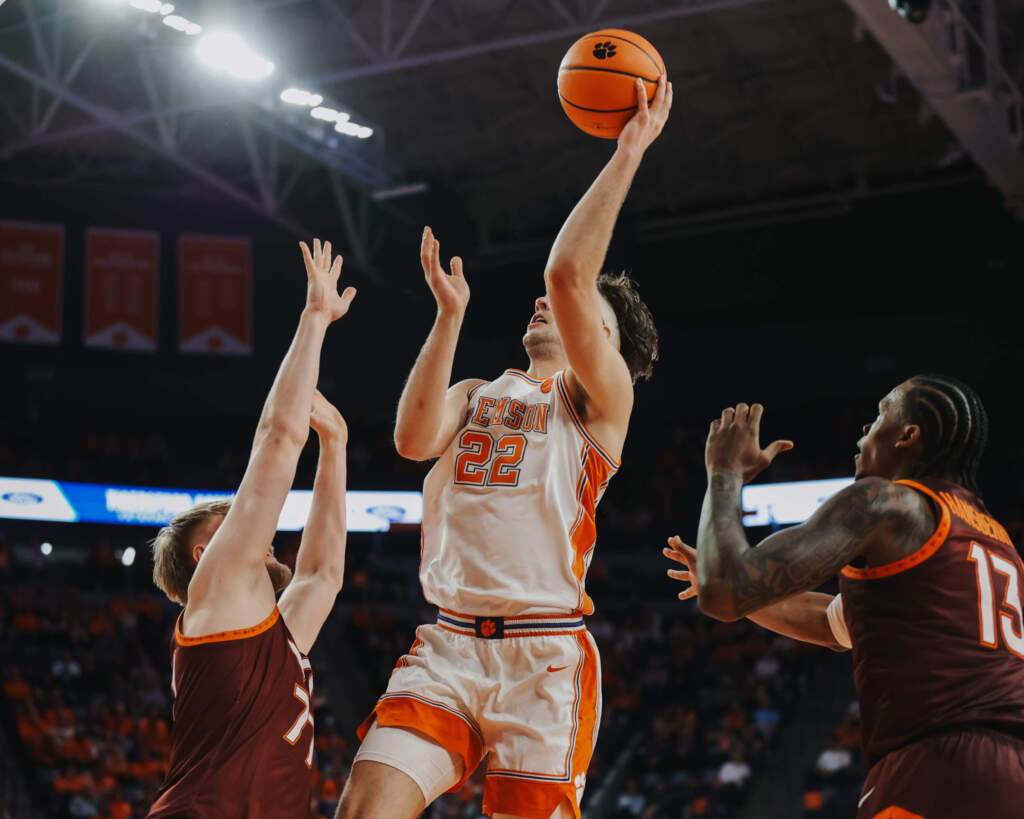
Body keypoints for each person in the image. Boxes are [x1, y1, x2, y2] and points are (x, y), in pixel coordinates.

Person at [337, 76, 672, 819]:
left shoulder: (597, 401)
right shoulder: (478, 392)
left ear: (603, 341)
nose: (544, 301)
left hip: (544, 657)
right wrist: (448, 316)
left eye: (574, 309)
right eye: (539, 302)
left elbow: (566, 272)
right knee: (363, 811)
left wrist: (627, 154)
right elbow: (412, 438)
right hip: (448, 645)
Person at [664, 375, 1024, 818]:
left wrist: (724, 473)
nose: (863, 434)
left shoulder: (886, 502)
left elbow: (723, 592)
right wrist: (738, 587)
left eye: (878, 418)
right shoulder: (993, 538)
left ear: (908, 436)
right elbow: (834, 624)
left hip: (938, 766)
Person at [146, 239, 355, 819]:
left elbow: (323, 575)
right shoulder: (218, 589)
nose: (261, 533)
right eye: (236, 524)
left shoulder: (270, 636)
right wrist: (314, 319)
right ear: (206, 552)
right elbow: (277, 439)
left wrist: (334, 448)